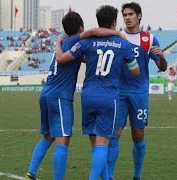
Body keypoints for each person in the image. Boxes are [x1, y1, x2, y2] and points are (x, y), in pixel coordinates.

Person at [24, 11, 125, 180]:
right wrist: (116, 33)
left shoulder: (64, 42)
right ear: (80, 27)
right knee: (63, 141)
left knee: (48, 136)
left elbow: (83, 58)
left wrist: (57, 42)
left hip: (47, 93)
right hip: (60, 96)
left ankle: (31, 172)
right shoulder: (76, 40)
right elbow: (93, 32)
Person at [55, 5, 140, 180]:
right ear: (115, 22)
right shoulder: (123, 44)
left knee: (95, 143)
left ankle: (106, 178)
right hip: (109, 97)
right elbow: (135, 71)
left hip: (88, 96)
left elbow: (66, 58)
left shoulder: (86, 43)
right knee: (103, 144)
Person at [107, 2, 167, 180]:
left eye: (130, 14)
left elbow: (162, 67)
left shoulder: (150, 39)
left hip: (139, 93)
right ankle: (109, 176)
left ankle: (137, 176)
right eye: (124, 15)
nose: (127, 18)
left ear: (139, 16)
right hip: (118, 93)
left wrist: (162, 57)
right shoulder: (118, 37)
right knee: (114, 134)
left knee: (138, 134)